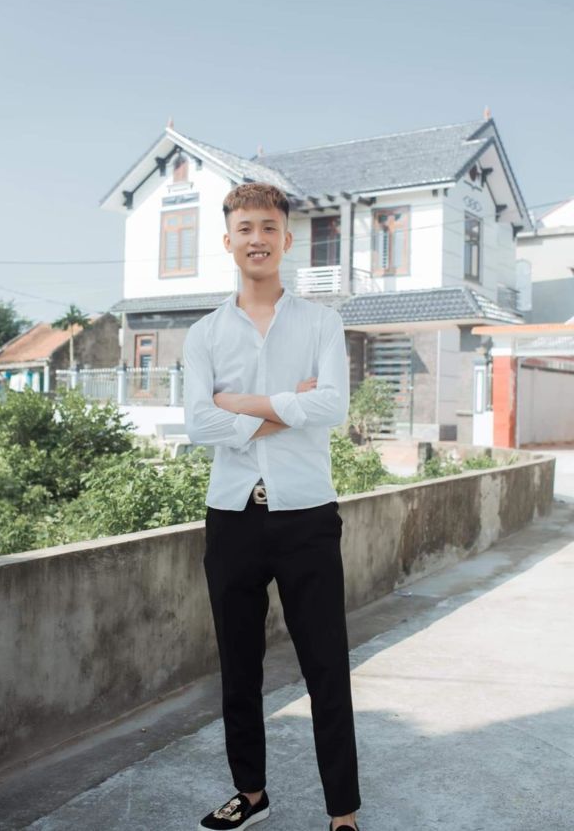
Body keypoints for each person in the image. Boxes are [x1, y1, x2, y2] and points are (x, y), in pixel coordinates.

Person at [183, 182, 361, 831]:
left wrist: (239, 405)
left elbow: (333, 405)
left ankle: (343, 812)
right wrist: (290, 405)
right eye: (245, 228)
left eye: (268, 227)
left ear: (286, 239)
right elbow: (198, 423)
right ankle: (251, 794)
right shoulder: (203, 334)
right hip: (232, 518)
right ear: (227, 240)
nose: (256, 239)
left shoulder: (321, 323)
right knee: (238, 668)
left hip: (306, 516)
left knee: (326, 666)